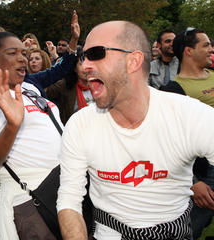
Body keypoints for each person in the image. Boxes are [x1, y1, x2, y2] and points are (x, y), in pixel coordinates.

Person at [56, 20, 214, 240]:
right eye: (84, 57)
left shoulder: (190, 116)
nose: (85, 66)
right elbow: (69, 199)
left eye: (96, 53)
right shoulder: (80, 124)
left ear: (133, 61)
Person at [0, 10, 80, 240]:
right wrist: (12, 125)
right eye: (13, 53)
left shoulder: (30, 87)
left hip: (68, 185)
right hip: (30, 197)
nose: (23, 58)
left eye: (24, 53)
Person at [161, 27, 214, 239]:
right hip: (206, 171)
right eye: (206, 44)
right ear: (189, 51)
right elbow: (168, 142)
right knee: (188, 230)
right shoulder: (173, 91)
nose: (211, 48)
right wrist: (193, 182)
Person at [46, 46, 93, 125]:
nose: (86, 68)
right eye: (81, 63)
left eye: (88, 63)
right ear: (74, 68)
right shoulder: (64, 85)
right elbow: (44, 91)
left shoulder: (100, 85)